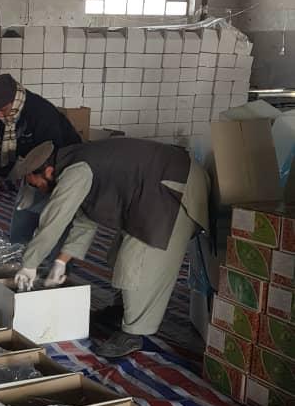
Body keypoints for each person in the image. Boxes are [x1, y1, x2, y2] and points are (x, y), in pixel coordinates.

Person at [12, 137, 209, 359]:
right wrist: (61, 261)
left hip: (173, 187)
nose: (35, 188)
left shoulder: (75, 172)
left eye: (33, 182)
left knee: (136, 264)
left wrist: (29, 264)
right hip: (152, 190)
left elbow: (54, 220)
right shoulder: (75, 164)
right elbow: (85, 220)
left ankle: (134, 333)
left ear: (47, 171)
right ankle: (122, 309)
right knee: (117, 256)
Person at [0, 73, 81, 243]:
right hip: (34, 167)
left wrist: (32, 185)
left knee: (54, 220)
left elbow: (49, 153)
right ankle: (17, 257)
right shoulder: (5, 115)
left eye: (2, 110)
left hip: (62, 165)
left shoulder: (41, 112)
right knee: (22, 218)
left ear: (15, 100)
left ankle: (58, 266)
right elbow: (7, 149)